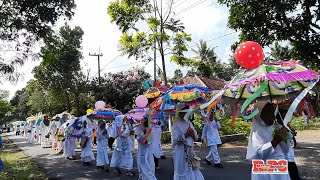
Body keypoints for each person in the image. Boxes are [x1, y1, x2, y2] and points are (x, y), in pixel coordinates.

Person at [246, 101, 291, 180]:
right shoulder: (256, 132)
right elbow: (259, 155)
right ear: (259, 114)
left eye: (272, 111)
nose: (272, 115)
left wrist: (285, 137)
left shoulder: (275, 127)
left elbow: (286, 150)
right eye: (268, 112)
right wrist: (274, 142)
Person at [172, 107, 204, 180]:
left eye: (186, 112)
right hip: (181, 152)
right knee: (182, 170)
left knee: (193, 168)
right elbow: (175, 141)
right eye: (183, 112)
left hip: (190, 150)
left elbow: (195, 137)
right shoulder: (176, 125)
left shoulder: (189, 123)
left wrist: (192, 134)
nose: (184, 114)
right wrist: (186, 134)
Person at [277, 107, 301, 180]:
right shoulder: (276, 128)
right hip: (282, 159)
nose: (287, 118)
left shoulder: (286, 126)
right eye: (284, 116)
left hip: (289, 157)